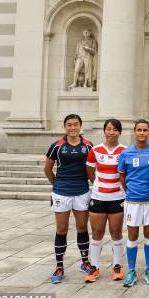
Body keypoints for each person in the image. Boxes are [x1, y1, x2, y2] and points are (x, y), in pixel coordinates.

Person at [45, 114, 93, 284]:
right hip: (61, 192)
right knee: (62, 229)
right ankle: (59, 266)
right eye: (69, 125)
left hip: (81, 191)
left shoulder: (88, 145)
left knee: (82, 227)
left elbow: (91, 168)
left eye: (76, 125)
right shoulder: (57, 146)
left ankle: (85, 262)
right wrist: (57, 185)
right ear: (64, 127)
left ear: (80, 126)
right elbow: (48, 169)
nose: (73, 128)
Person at [84, 119, 127, 283]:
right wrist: (99, 185)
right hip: (98, 197)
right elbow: (90, 171)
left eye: (115, 130)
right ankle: (94, 267)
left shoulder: (125, 151)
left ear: (119, 132)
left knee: (116, 233)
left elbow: (127, 173)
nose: (111, 132)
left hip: (117, 197)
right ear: (104, 131)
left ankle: (117, 265)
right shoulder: (95, 150)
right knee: (96, 233)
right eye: (108, 129)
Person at [118, 119, 149, 287]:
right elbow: (122, 176)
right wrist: (130, 191)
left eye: (145, 130)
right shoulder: (126, 153)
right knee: (133, 235)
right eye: (139, 130)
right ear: (135, 132)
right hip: (133, 201)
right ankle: (131, 270)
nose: (142, 133)